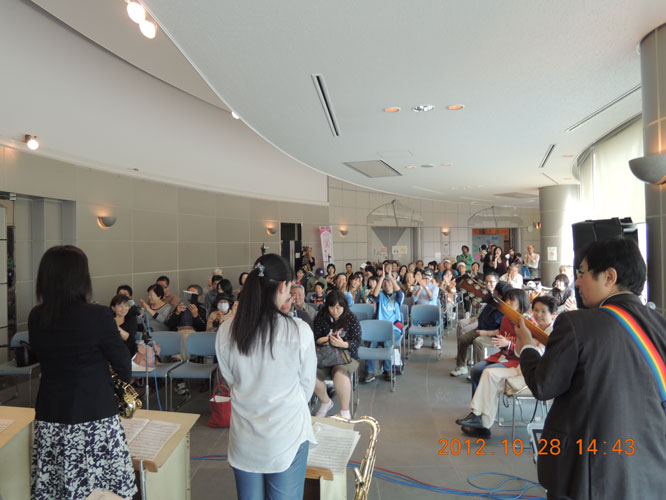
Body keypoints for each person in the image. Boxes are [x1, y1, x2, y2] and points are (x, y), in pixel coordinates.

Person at [515, 238, 666, 500]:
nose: (576, 282)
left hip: (588, 471)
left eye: (582, 273)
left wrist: (527, 347)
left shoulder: (576, 323)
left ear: (609, 277)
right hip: (650, 470)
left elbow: (543, 385)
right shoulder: (659, 325)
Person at [29, 246, 136, 500]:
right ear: (81, 278)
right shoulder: (98, 315)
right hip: (94, 415)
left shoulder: (36, 316)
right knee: (102, 490)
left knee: (59, 489)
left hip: (51, 414)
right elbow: (123, 363)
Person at [215, 254, 316, 500]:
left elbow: (230, 378)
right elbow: (306, 386)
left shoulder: (227, 330)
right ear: (282, 287)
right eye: (290, 288)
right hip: (286, 435)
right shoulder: (298, 331)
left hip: (245, 437)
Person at [457, 295, 556, 438]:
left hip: (535, 375)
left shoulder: (553, 333)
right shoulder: (532, 328)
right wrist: (521, 336)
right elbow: (519, 353)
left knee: (488, 375)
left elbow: (537, 355)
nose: (538, 314)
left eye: (543, 311)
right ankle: (477, 417)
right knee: (488, 373)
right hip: (521, 368)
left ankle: (482, 423)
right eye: (535, 310)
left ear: (553, 314)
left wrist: (523, 341)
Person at [312, 289, 362, 419]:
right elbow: (315, 338)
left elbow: (356, 342)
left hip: (346, 357)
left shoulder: (351, 318)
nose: (335, 311)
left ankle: (345, 411)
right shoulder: (322, 317)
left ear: (344, 307)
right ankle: (326, 402)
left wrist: (342, 344)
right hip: (324, 356)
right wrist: (328, 339)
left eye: (339, 308)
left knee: (340, 374)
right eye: (332, 307)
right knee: (310, 374)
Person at [450, 273, 506, 377]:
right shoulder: (490, 299)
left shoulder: (504, 307)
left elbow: (501, 329)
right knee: (463, 339)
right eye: (486, 282)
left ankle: (478, 372)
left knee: (478, 342)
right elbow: (479, 311)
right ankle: (461, 367)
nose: (488, 284)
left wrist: (486, 332)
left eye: (491, 282)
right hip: (481, 326)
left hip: (493, 334)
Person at [366, 262, 404, 382]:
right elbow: (374, 295)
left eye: (389, 282)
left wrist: (390, 276)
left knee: (388, 342)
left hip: (394, 328)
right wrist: (382, 277)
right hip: (379, 329)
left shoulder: (398, 296)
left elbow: (399, 291)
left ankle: (388, 370)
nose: (387, 284)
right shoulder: (380, 295)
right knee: (372, 344)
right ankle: (370, 371)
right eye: (385, 282)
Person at [412, 269, 440, 349]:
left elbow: (432, 298)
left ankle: (435, 340)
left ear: (431, 279)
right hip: (420, 312)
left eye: (428, 278)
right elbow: (414, 299)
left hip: (431, 312)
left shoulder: (435, 287)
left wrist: (426, 287)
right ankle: (419, 339)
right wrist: (420, 288)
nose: (426, 280)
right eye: (425, 278)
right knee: (414, 320)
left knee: (438, 320)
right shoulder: (417, 287)